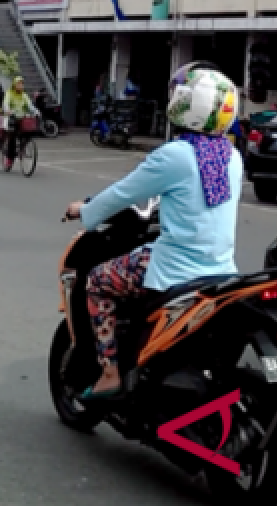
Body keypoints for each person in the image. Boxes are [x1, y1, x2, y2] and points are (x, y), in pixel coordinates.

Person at [65, 62, 241, 398]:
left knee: (99, 280)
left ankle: (110, 372)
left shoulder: (175, 155)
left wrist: (85, 210)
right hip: (220, 270)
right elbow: (195, 201)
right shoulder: (231, 156)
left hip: (175, 268)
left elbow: (123, 193)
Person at [2, 76, 39, 162]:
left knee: (30, 132)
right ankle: (9, 158)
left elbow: (30, 106)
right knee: (12, 137)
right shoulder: (9, 93)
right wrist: (7, 110)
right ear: (14, 85)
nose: (20, 85)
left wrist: (36, 112)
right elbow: (6, 103)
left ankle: (23, 148)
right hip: (12, 118)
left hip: (22, 118)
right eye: (19, 83)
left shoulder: (24, 95)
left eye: (22, 84)